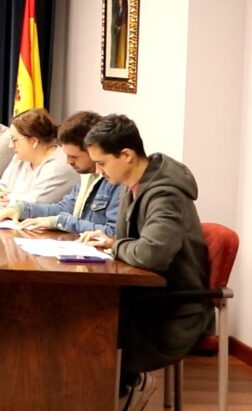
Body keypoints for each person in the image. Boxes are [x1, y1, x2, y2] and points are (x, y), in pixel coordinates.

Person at [79, 114, 211, 411]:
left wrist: (115, 245)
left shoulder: (166, 194)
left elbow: (152, 254)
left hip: (171, 308)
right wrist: (113, 243)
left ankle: (126, 386)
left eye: (101, 163)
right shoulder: (133, 184)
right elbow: (137, 244)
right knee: (79, 317)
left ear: (126, 155)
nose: (98, 171)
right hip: (145, 297)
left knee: (87, 328)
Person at [0, 111, 120, 235]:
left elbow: (113, 233)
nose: (68, 162)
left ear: (92, 151)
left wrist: (60, 222)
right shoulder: (86, 175)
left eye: (74, 157)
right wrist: (22, 209)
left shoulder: (116, 181)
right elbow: (65, 208)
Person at [0, 108, 78, 206]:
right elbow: (0, 186)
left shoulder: (59, 167)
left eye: (15, 140)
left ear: (33, 141)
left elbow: (31, 205)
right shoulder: (20, 158)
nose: (10, 145)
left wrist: (1, 198)